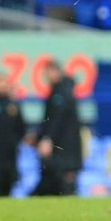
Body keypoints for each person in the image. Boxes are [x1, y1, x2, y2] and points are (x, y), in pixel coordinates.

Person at [31, 61, 82, 196]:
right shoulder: (62, 91)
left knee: (60, 184)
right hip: (65, 151)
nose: (46, 77)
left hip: (63, 151)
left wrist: (47, 139)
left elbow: (56, 120)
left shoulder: (61, 94)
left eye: (48, 73)